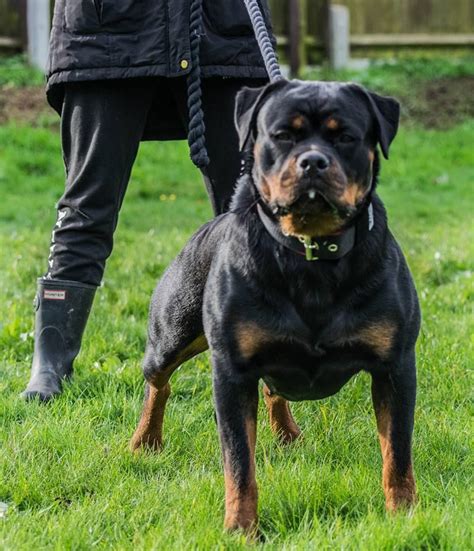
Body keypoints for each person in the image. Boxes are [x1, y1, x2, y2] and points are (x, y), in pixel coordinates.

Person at [22, 0, 275, 401]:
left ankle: (268, 363)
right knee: (87, 206)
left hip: (222, 31)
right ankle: (49, 366)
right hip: (104, 33)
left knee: (250, 214)